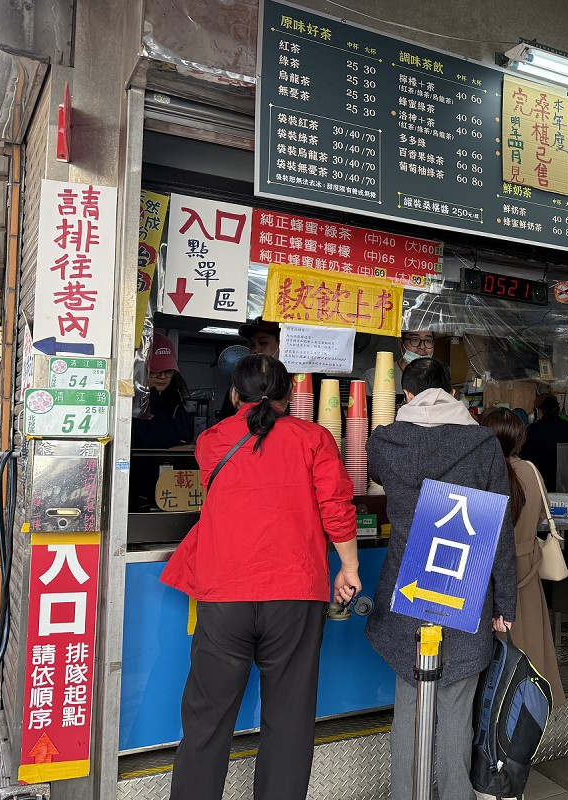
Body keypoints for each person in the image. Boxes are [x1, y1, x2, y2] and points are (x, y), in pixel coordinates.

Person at [161, 354, 361, 800]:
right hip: (296, 593)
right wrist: (348, 566)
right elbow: (336, 508)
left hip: (224, 594)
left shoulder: (212, 440)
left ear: (235, 395)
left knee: (206, 718)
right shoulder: (315, 438)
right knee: (289, 719)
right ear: (291, 398)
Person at [366, 357, 517, 800]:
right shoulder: (484, 445)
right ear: (452, 395)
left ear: (407, 397)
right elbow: (499, 532)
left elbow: (375, 477)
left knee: (409, 700)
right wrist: (504, 603)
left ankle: (404, 794)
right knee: (456, 704)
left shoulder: (383, 442)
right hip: (465, 582)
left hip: (407, 586)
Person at [479, 407, 565, 705]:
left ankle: (493, 719)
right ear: (519, 438)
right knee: (529, 649)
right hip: (527, 569)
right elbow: (542, 513)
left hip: (489, 573)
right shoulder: (530, 471)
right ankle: (528, 712)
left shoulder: (481, 472)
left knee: (493, 658)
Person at [132, 334, 191, 449]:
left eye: (168, 370)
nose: (163, 376)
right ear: (140, 369)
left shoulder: (177, 402)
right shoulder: (133, 405)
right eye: (155, 370)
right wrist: (169, 450)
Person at [218, 318, 281, 420]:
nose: (256, 350)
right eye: (252, 345)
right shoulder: (239, 386)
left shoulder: (300, 382)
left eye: (263, 343)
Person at [521, 394, 568, 492]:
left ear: (538, 410)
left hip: (540, 486)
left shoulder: (531, 430)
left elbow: (525, 461)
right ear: (557, 408)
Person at [363, 329, 436, 398]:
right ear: (400, 343)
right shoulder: (374, 377)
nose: (422, 346)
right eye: (415, 340)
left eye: (428, 341)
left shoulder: (439, 378)